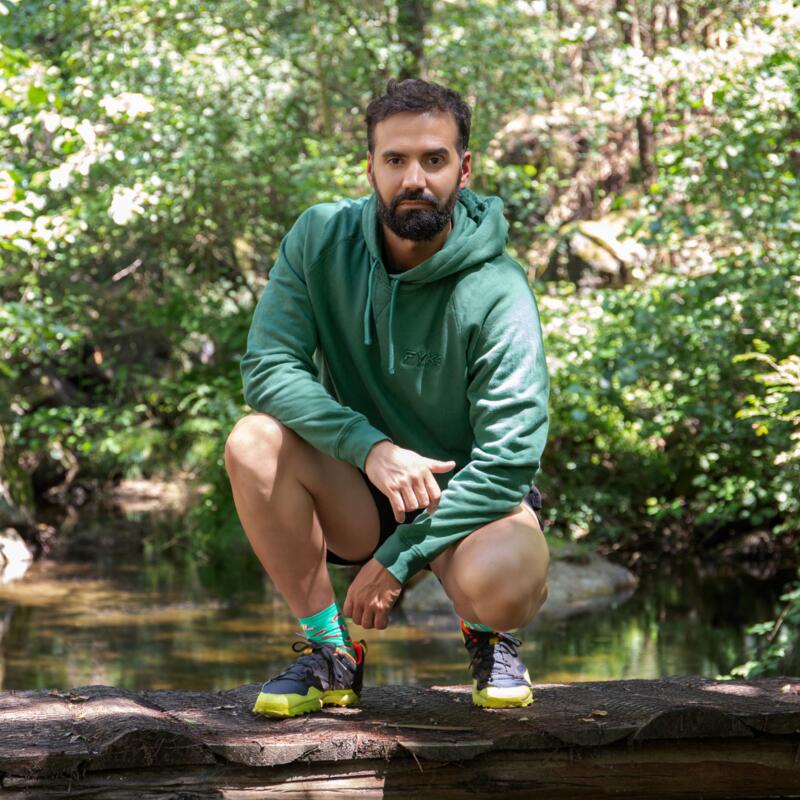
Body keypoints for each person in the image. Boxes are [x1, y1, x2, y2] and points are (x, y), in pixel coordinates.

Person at [224, 78, 550, 719]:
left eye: (434, 159)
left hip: (469, 500)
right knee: (252, 442)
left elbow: (511, 457)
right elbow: (268, 367)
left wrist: (397, 562)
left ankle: (489, 636)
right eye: (395, 160)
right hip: (359, 490)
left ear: (464, 167)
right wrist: (368, 447)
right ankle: (330, 654)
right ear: (369, 167)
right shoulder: (320, 240)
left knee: (508, 582)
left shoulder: (499, 286)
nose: (414, 178)